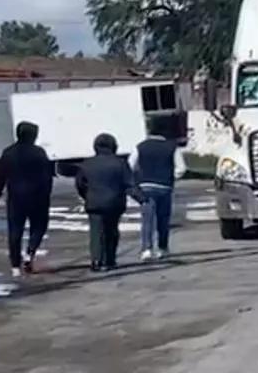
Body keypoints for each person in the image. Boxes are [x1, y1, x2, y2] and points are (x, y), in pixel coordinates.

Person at [0, 121, 53, 276]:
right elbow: (47, 177)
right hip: (37, 197)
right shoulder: (39, 153)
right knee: (39, 227)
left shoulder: (8, 152)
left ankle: (15, 266)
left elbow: (0, 175)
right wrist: (47, 193)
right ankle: (30, 253)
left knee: (15, 231)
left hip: (16, 197)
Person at [74, 133, 134, 274]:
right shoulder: (120, 163)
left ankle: (96, 260)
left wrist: (87, 195)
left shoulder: (86, 164)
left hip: (94, 202)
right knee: (112, 231)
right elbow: (128, 183)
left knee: (96, 232)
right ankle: (110, 259)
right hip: (115, 203)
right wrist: (142, 198)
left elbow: (80, 184)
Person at [129, 115, 185, 263]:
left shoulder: (140, 146)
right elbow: (181, 168)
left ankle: (147, 249)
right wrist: (171, 177)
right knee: (163, 219)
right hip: (164, 187)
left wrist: (137, 181)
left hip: (145, 187)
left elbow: (130, 166)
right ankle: (162, 248)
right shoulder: (172, 147)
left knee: (147, 219)